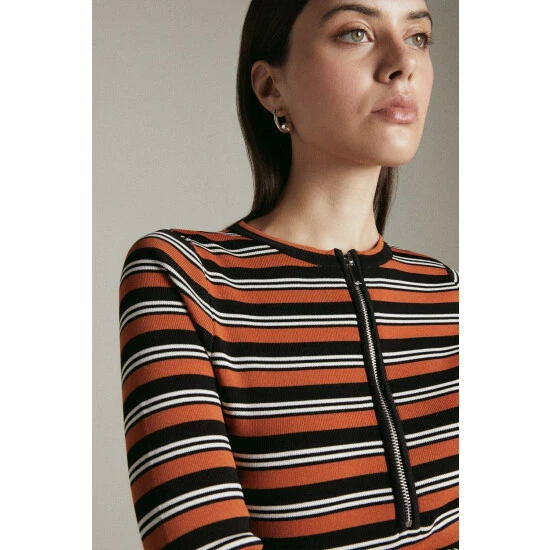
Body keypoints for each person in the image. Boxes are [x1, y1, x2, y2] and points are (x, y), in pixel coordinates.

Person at [118, 0, 459, 548]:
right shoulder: (184, 278)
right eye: (356, 32)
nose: (404, 64)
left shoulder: (443, 290)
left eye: (418, 37)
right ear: (271, 87)